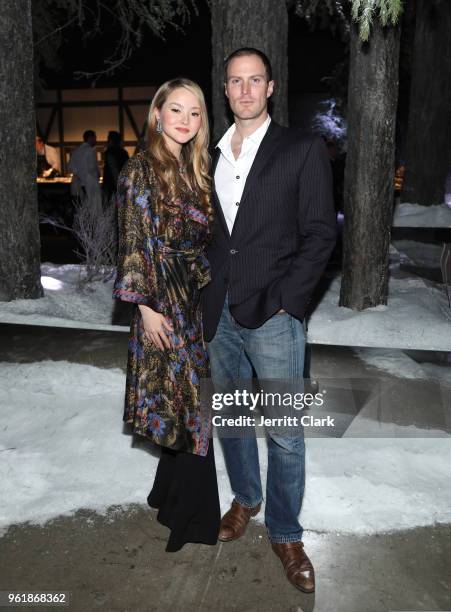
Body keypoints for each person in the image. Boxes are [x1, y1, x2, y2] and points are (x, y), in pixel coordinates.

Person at [203, 48, 337, 592]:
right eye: (235, 81)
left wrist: (289, 301)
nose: (245, 90)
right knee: (232, 420)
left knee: (285, 434)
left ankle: (286, 533)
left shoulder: (301, 148)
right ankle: (245, 500)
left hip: (275, 315)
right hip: (218, 313)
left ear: (271, 86)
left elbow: (321, 234)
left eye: (254, 80)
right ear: (226, 89)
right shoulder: (206, 154)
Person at [113, 78, 220, 552]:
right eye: (175, 109)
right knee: (195, 411)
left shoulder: (195, 166)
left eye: (194, 112)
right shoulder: (140, 170)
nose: (184, 119)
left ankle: (167, 496)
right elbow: (134, 244)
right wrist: (145, 308)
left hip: (190, 299)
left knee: (182, 403)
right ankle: (192, 520)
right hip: (162, 302)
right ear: (157, 113)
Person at [68, 130, 100, 199]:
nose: (96, 140)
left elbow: (70, 167)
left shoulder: (76, 150)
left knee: (79, 207)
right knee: (90, 207)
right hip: (89, 184)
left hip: (77, 184)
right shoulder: (90, 150)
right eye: (95, 138)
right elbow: (92, 168)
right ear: (90, 138)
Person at [102, 131, 129, 202]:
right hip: (122, 182)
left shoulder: (109, 152)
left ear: (110, 140)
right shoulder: (124, 152)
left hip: (112, 183)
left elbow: (113, 168)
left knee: (111, 204)